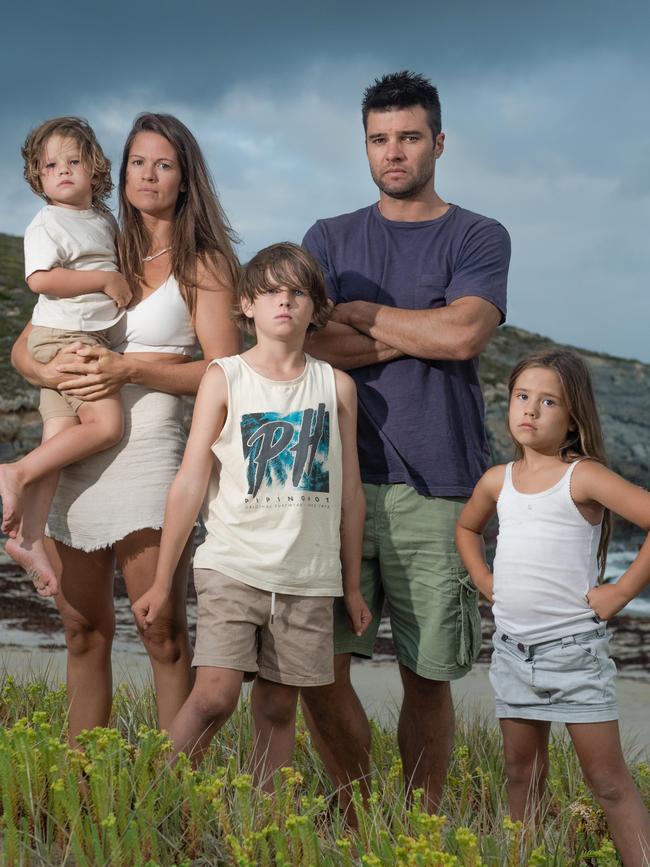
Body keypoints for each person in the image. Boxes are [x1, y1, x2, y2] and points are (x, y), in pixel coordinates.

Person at [301, 70, 511, 811]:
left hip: (443, 481)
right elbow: (310, 343)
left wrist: (362, 314)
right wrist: (421, 327)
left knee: (429, 671)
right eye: (380, 139)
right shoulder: (329, 237)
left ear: (439, 142)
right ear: (366, 146)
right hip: (333, 478)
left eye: (409, 137)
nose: (394, 151)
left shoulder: (478, 234)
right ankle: (357, 808)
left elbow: (463, 334)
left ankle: (416, 823)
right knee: (318, 663)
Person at [10, 113, 241, 745]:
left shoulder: (207, 264)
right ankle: (83, 780)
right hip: (76, 443)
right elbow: (26, 346)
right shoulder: (95, 242)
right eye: (139, 161)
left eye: (164, 164)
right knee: (84, 629)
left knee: (161, 628)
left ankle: (179, 785)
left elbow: (223, 374)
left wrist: (126, 366)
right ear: (122, 169)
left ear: (184, 177)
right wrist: (42, 369)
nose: (149, 175)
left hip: (148, 451)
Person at [132, 242, 370, 790]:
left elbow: (349, 492)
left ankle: (266, 826)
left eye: (297, 293)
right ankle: (149, 798)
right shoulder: (225, 376)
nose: (284, 302)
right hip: (232, 564)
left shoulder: (336, 387)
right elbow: (190, 481)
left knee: (278, 707)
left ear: (316, 307)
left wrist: (351, 586)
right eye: (270, 293)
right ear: (247, 305)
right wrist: (163, 581)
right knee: (214, 694)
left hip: (308, 578)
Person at [455, 350, 650, 866]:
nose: (531, 410)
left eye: (548, 402)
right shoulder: (498, 481)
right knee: (522, 775)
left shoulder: (582, 477)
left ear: (572, 420)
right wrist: (484, 579)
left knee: (607, 783)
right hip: (512, 653)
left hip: (574, 656)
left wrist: (620, 592)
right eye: (523, 397)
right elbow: (466, 527)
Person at [0, 117, 133, 592]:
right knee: (106, 425)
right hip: (67, 338)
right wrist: (103, 280)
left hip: (75, 336)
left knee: (57, 443)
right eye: (49, 165)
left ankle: (29, 536)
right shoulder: (48, 222)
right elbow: (39, 280)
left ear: (95, 169)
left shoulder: (102, 219)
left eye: (73, 162)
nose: (62, 171)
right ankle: (14, 471)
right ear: (36, 176)